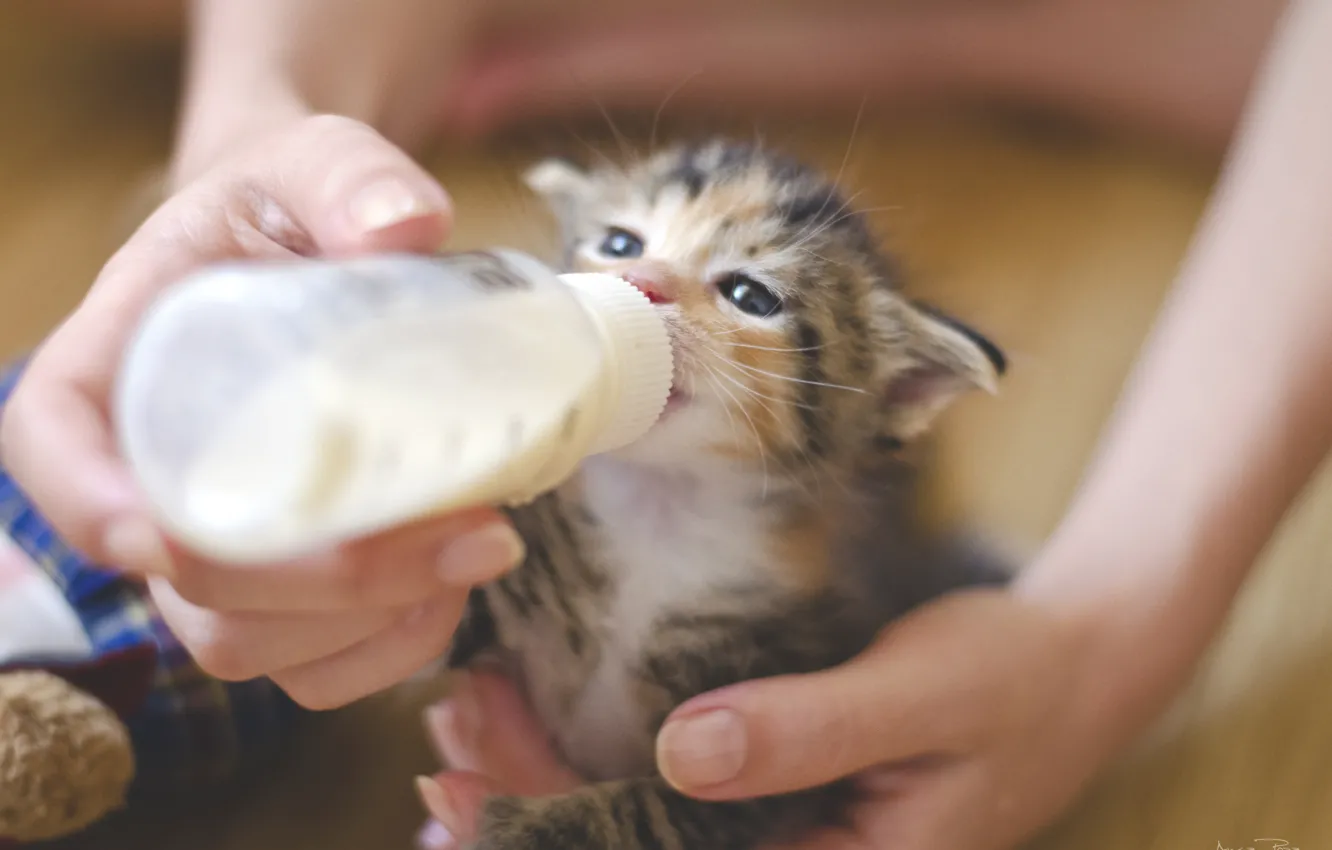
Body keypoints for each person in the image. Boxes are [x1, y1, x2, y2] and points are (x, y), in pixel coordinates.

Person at [2, 1, 1329, 848]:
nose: (644, 285)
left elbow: (749, 800)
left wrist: (1106, 625)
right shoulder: (532, 475)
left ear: (880, 402)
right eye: (625, 242)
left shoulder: (800, 597)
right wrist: (246, 136)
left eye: (744, 292)